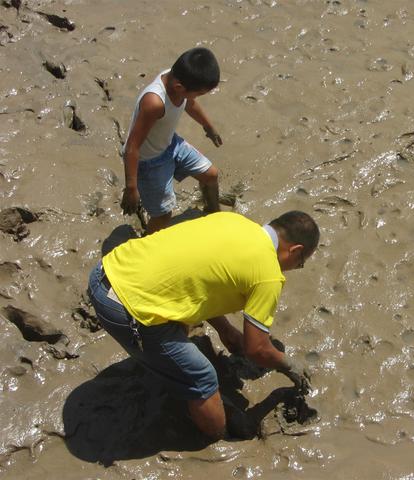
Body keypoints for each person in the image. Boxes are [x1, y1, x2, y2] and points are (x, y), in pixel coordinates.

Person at [87, 211, 320, 440]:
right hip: (122, 308)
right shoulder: (268, 274)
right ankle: (219, 440)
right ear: (295, 250)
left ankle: (168, 369)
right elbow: (256, 348)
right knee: (203, 378)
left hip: (105, 271)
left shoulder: (232, 220)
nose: (294, 269)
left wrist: (225, 329)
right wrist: (289, 366)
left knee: (181, 322)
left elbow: (199, 277)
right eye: (300, 263)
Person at [120, 47, 224, 234]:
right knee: (163, 215)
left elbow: (189, 103)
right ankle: (146, 246)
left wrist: (208, 126)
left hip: (172, 144)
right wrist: (131, 188)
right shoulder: (154, 103)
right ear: (179, 88)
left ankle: (213, 213)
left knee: (211, 175)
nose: (197, 98)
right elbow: (131, 147)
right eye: (199, 93)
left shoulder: (176, 77)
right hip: (149, 161)